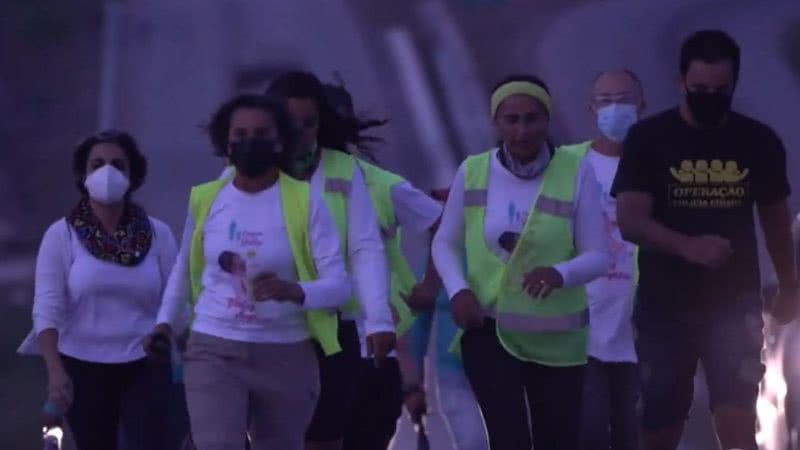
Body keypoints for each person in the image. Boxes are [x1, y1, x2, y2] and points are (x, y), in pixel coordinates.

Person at [611, 30, 799, 450]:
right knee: (662, 415)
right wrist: (687, 246)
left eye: (720, 90)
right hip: (665, 305)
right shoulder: (650, 140)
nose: (709, 97)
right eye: (700, 89)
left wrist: (788, 285)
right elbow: (630, 220)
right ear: (681, 82)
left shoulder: (758, 142)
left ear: (734, 85)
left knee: (737, 416)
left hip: (735, 302)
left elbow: (775, 222)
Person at [151, 93, 352, 450]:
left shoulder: (306, 202)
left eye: (260, 134)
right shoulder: (207, 199)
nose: (249, 142)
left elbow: (340, 286)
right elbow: (184, 266)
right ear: (225, 142)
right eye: (240, 135)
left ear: (279, 141)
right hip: (215, 347)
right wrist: (165, 323)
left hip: (286, 353)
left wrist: (294, 291)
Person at [432, 74, 610, 450]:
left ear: (546, 120)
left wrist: (560, 274)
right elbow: (445, 243)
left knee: (557, 440)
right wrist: (459, 291)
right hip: (489, 331)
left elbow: (598, 255)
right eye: (511, 120)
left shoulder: (575, 171)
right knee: (508, 437)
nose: (522, 130)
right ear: (497, 122)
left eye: (532, 119)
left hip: (557, 337)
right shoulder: (474, 171)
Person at [22, 130, 178, 450]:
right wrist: (55, 372)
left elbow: (177, 297)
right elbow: (47, 308)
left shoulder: (158, 234)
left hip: (144, 362)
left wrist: (165, 333)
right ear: (83, 174)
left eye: (118, 164)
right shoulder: (61, 235)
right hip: (82, 365)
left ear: (133, 174)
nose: (108, 172)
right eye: (98, 164)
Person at [265, 71, 396, 450]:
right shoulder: (246, 173)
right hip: (267, 329)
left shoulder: (343, 170)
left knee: (326, 436)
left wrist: (380, 320)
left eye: (310, 123)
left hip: (332, 328)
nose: (302, 133)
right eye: (291, 124)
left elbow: (366, 248)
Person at [321, 81, 444, 450]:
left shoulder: (381, 185)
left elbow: (444, 224)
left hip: (374, 350)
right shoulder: (278, 184)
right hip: (310, 350)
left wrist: (429, 285)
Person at [578, 69, 646, 450]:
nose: (615, 108)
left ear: (642, 105)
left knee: (634, 437)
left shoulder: (658, 167)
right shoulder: (571, 168)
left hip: (641, 331)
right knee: (588, 433)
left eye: (625, 99)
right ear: (591, 108)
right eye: (606, 100)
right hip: (582, 332)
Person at [401, 188, 489, 450]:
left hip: (507, 368)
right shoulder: (435, 265)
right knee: (474, 443)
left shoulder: (502, 252)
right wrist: (412, 385)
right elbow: (416, 323)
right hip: (454, 376)